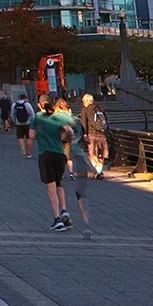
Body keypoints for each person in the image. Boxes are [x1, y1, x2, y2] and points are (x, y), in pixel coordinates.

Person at [33, 95, 76, 230]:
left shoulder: (38, 117)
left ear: (40, 105)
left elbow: (31, 135)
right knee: (59, 183)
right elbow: (70, 131)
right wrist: (64, 139)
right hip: (59, 154)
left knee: (51, 187)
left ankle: (57, 219)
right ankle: (64, 210)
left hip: (45, 154)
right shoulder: (59, 117)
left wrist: (41, 135)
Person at [64, 97, 95, 232]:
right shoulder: (75, 122)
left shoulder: (57, 122)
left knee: (67, 191)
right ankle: (85, 223)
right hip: (79, 160)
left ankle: (66, 216)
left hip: (66, 158)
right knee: (80, 193)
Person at [80, 92, 108, 177]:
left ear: (87, 101)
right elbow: (106, 120)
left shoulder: (85, 109)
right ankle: (100, 171)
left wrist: (84, 134)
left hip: (91, 134)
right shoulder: (99, 108)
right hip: (102, 134)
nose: (83, 103)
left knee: (92, 154)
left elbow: (83, 122)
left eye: (83, 101)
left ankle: (99, 171)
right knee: (101, 154)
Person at [11, 90, 34, 158]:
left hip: (18, 124)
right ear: (25, 98)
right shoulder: (27, 104)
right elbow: (32, 114)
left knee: (20, 138)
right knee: (29, 138)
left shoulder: (14, 104)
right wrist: (32, 123)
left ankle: (23, 151)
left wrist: (15, 122)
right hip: (27, 124)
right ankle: (29, 153)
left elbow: (12, 114)